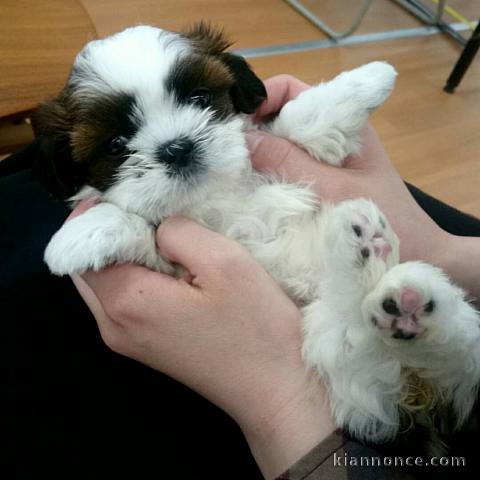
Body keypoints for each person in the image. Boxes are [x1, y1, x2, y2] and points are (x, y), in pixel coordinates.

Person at [1, 75, 479, 479]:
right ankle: (409, 315)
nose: (177, 142)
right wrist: (442, 249)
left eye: (195, 102)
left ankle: (398, 319)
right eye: (119, 144)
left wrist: (284, 403)